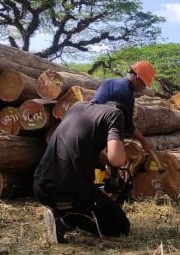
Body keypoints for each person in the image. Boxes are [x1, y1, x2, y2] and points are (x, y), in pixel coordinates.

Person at [33, 101, 130, 244]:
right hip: (67, 191)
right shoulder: (116, 115)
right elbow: (116, 159)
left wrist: (108, 161)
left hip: (41, 186)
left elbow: (80, 147)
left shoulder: (78, 106)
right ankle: (62, 220)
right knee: (121, 227)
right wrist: (121, 156)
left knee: (91, 202)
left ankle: (65, 215)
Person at [92, 61, 156, 152]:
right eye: (144, 84)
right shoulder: (126, 94)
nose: (144, 88)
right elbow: (128, 127)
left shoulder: (111, 82)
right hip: (99, 135)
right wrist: (143, 141)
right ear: (137, 78)